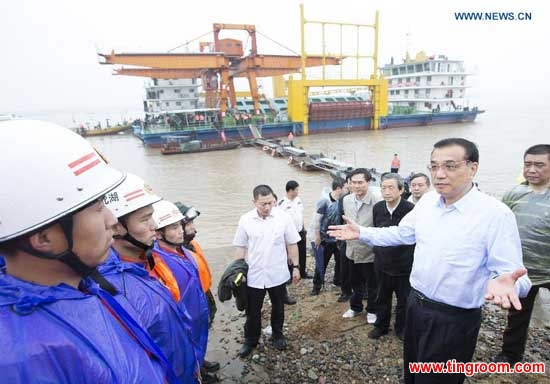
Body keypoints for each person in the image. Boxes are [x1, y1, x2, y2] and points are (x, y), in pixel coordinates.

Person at [328, 138, 532, 384]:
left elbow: (514, 276)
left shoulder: (495, 215)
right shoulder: (426, 202)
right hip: (416, 304)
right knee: (413, 373)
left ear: (473, 167)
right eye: (433, 167)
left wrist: (506, 284)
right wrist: (363, 232)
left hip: (454, 317)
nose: (440, 174)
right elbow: (402, 233)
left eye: (450, 166)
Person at [0, 120, 177, 383]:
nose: (111, 221)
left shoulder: (86, 289)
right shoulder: (23, 358)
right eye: (97, 209)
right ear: (45, 238)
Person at [105, 174, 210, 376]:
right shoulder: (112, 285)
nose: (154, 225)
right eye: (145, 220)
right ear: (117, 227)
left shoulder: (154, 260)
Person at [493, 144, 550, 364]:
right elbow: (499, 225)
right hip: (521, 270)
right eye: (528, 164)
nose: (532, 169)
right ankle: (510, 355)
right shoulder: (514, 194)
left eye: (539, 165)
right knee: (517, 316)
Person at [151, 200, 218, 383]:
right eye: (172, 228)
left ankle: (199, 369)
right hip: (182, 324)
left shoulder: (185, 252)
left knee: (197, 350)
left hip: (197, 316)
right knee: (183, 362)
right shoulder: (156, 262)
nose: (180, 230)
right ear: (158, 233)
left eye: (179, 225)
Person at [234, 184, 301, 358]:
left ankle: (277, 334)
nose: (267, 207)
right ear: (254, 202)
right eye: (262, 204)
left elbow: (292, 244)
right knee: (252, 311)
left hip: (277, 273)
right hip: (254, 275)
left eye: (270, 203)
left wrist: (296, 267)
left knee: (278, 307)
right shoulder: (245, 220)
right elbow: (240, 248)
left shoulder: (283, 217)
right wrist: (237, 272)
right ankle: (250, 340)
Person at [176, 201, 221, 378]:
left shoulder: (191, 246)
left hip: (204, 293)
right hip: (190, 300)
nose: (193, 228)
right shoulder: (172, 252)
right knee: (191, 335)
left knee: (203, 328)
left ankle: (200, 360)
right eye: (189, 224)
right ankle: (196, 370)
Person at [369, 173, 415, 340]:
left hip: (404, 265)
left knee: (404, 300)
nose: (386, 191)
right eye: (383, 188)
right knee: (381, 297)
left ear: (401, 190)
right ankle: (381, 326)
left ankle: (401, 328)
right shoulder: (378, 208)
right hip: (382, 263)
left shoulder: (410, 210)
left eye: (391, 188)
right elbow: (377, 231)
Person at [341, 168, 381, 323]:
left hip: (369, 251)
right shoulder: (346, 200)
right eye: (353, 183)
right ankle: (355, 307)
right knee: (355, 282)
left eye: (360, 182)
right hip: (352, 249)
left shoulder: (377, 201)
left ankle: (372, 310)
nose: (357, 186)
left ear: (368, 182)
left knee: (372, 284)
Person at [310, 179, 348, 296]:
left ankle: (338, 281)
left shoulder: (344, 201)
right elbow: (316, 220)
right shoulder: (324, 201)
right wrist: (317, 237)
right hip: (325, 239)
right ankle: (316, 286)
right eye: (346, 187)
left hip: (339, 238)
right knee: (321, 263)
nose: (348, 190)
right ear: (338, 188)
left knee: (340, 262)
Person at [278, 180, 310, 279]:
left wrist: (304, 228)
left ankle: (303, 272)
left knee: (302, 252)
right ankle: (289, 274)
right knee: (289, 254)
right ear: (290, 190)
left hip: (300, 231)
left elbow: (300, 215)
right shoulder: (281, 204)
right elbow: (280, 221)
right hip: (289, 234)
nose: (298, 192)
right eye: (296, 190)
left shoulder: (298, 200)